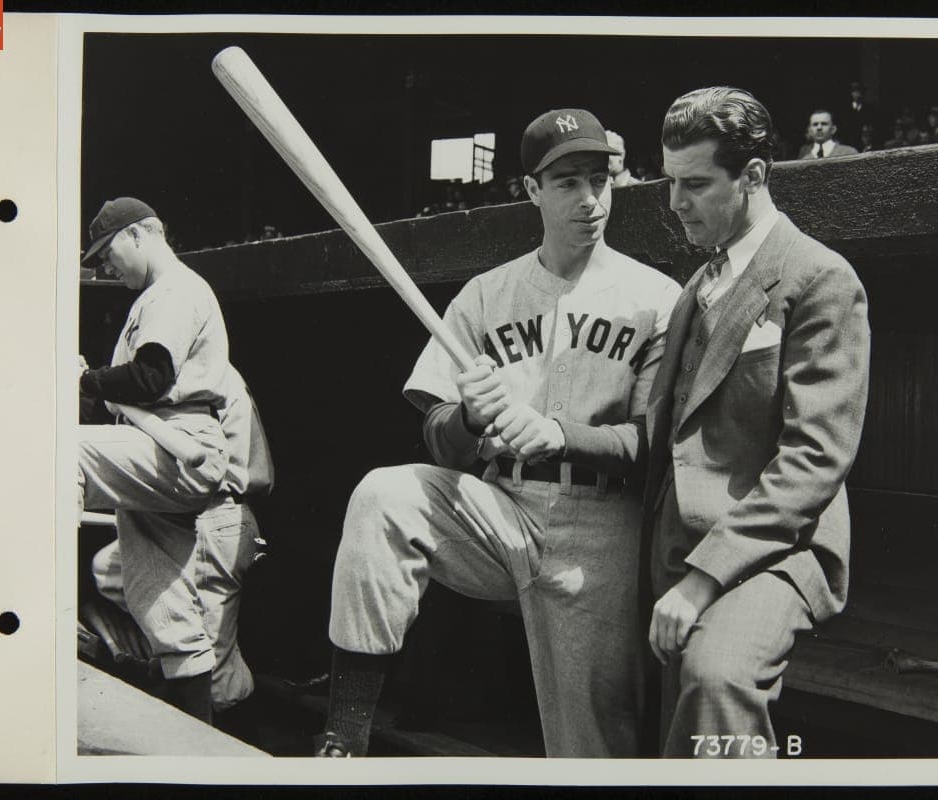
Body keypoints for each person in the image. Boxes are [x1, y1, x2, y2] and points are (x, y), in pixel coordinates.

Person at [316, 108, 681, 758]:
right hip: (502, 509)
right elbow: (439, 441)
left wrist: (556, 433)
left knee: (592, 750)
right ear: (530, 190)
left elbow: (654, 445)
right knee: (383, 497)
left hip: (602, 530)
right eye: (566, 181)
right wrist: (469, 418)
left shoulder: (657, 298)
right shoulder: (487, 295)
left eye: (600, 178)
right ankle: (342, 740)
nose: (589, 199)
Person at [646, 87, 870, 757]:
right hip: (670, 542)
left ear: (752, 176)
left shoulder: (820, 277)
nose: (673, 202)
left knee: (716, 680)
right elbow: (661, 432)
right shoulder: (697, 286)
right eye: (668, 181)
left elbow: (814, 460)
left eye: (694, 183)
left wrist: (701, 578)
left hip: (776, 550)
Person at [77, 197, 270, 726]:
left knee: (58, 452)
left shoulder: (176, 290)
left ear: (142, 233)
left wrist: (86, 380)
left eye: (108, 252)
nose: (105, 268)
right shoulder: (156, 297)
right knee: (165, 615)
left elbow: (151, 377)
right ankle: (199, 748)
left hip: (183, 447)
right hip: (159, 458)